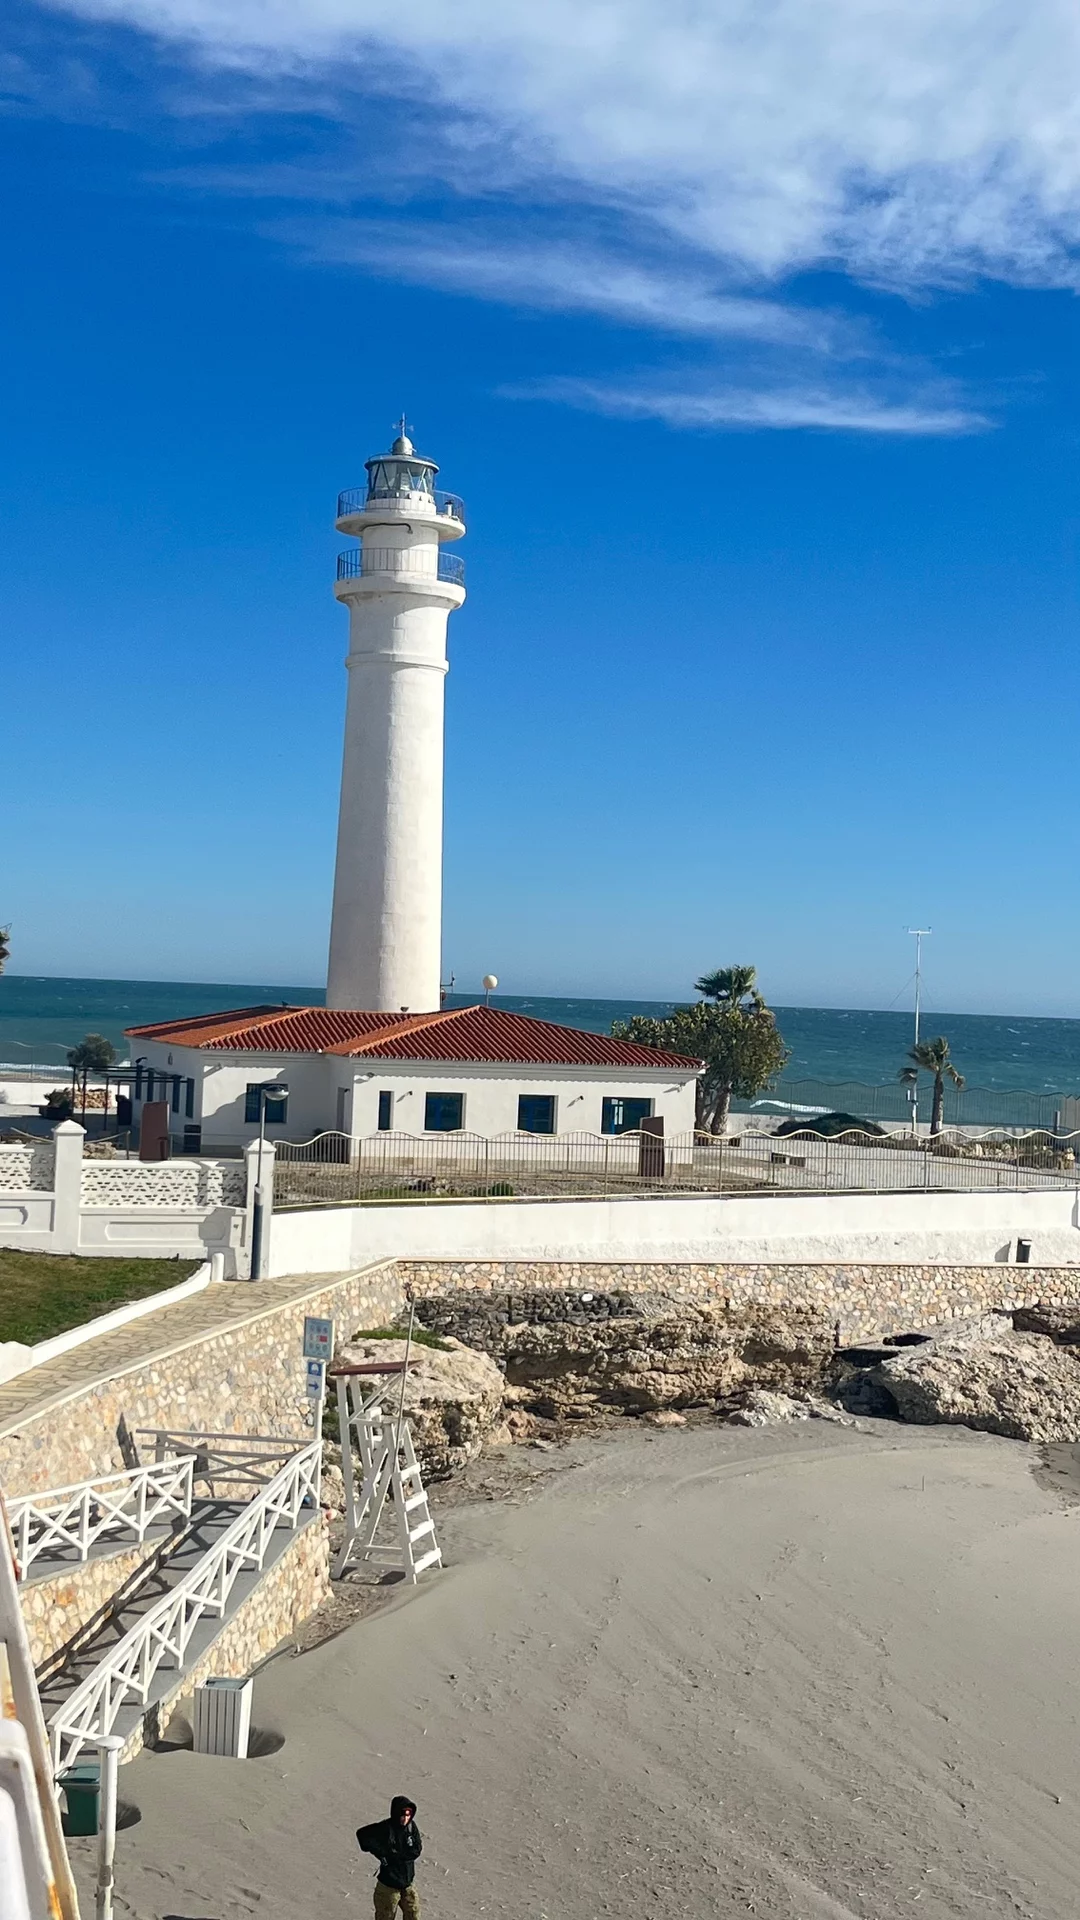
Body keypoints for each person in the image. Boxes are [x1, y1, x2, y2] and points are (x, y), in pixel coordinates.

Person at [357, 1795, 423, 1920]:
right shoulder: (385, 1828)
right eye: (402, 1815)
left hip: (407, 1883)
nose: (405, 1819)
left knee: (414, 1914)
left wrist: (397, 1856)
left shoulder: (411, 1827)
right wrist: (381, 1853)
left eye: (408, 1816)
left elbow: (417, 1850)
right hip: (388, 1886)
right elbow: (362, 1835)